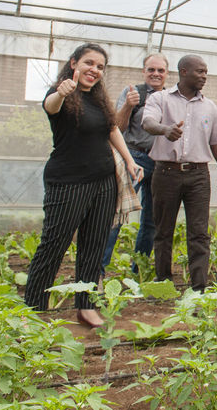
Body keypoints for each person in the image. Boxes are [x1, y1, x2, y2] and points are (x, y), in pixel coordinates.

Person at [25, 43, 143, 329]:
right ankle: (33, 310)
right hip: (68, 182)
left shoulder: (99, 100)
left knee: (93, 245)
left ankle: (86, 307)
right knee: (54, 244)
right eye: (89, 63)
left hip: (104, 181)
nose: (94, 70)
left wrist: (129, 160)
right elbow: (50, 107)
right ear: (74, 63)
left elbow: (112, 128)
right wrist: (60, 94)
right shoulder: (62, 94)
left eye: (100, 66)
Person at [142, 55, 217, 292]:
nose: (204, 76)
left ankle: (199, 286)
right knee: (163, 230)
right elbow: (147, 122)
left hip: (198, 175)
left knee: (199, 232)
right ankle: (163, 283)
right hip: (166, 172)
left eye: (205, 72)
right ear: (183, 72)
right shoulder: (160, 98)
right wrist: (165, 129)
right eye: (199, 72)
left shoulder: (209, 106)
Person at [100, 53, 168, 275]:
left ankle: (139, 270)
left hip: (160, 162)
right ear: (143, 71)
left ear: (167, 74)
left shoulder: (171, 97)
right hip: (134, 158)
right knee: (116, 214)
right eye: (151, 69)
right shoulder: (133, 93)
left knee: (151, 220)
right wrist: (128, 106)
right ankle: (98, 270)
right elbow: (116, 128)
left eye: (160, 70)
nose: (155, 74)